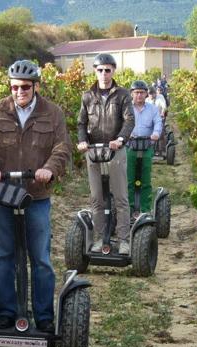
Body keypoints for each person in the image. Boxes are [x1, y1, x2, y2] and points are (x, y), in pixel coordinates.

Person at [0, 60, 71, 333]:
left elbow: (62, 147)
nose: (20, 92)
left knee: (40, 257)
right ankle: (6, 313)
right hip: (4, 194)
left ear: (36, 86)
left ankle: (43, 317)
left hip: (36, 195)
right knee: (4, 255)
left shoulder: (53, 113)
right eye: (15, 87)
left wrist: (49, 170)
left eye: (25, 87)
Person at [76, 53, 135, 254]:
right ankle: (100, 239)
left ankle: (124, 240)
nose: (103, 74)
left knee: (120, 197)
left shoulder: (123, 95)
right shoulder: (87, 96)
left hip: (115, 150)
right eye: (100, 70)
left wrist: (120, 140)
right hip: (93, 152)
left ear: (113, 71)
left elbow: (129, 121)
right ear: (95, 71)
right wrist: (82, 140)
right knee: (97, 198)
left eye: (107, 70)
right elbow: (81, 123)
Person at [127, 80, 163, 217]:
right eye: (136, 93)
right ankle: (130, 209)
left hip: (146, 146)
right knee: (129, 179)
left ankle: (145, 209)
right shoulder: (127, 109)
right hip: (130, 146)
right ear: (132, 94)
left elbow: (158, 123)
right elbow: (121, 123)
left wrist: (156, 133)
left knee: (146, 179)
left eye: (142, 93)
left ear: (147, 94)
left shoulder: (152, 109)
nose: (139, 95)